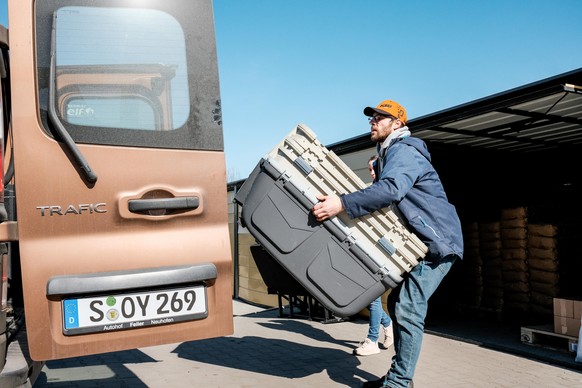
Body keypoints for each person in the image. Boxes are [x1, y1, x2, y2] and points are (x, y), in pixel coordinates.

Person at [312, 100, 463, 388]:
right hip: (422, 241)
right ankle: (398, 378)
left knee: (407, 307)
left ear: (398, 124)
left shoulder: (404, 151)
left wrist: (341, 204)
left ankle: (399, 383)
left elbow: (391, 190)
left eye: (382, 118)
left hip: (438, 242)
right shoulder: (389, 154)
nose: (374, 121)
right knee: (397, 303)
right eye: (373, 117)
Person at [353, 155, 394, 357]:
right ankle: (388, 326)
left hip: (382, 252)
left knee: (372, 298)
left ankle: (372, 340)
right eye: (369, 169)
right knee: (370, 297)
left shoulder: (388, 189)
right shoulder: (373, 189)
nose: (371, 172)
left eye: (374, 168)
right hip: (369, 250)